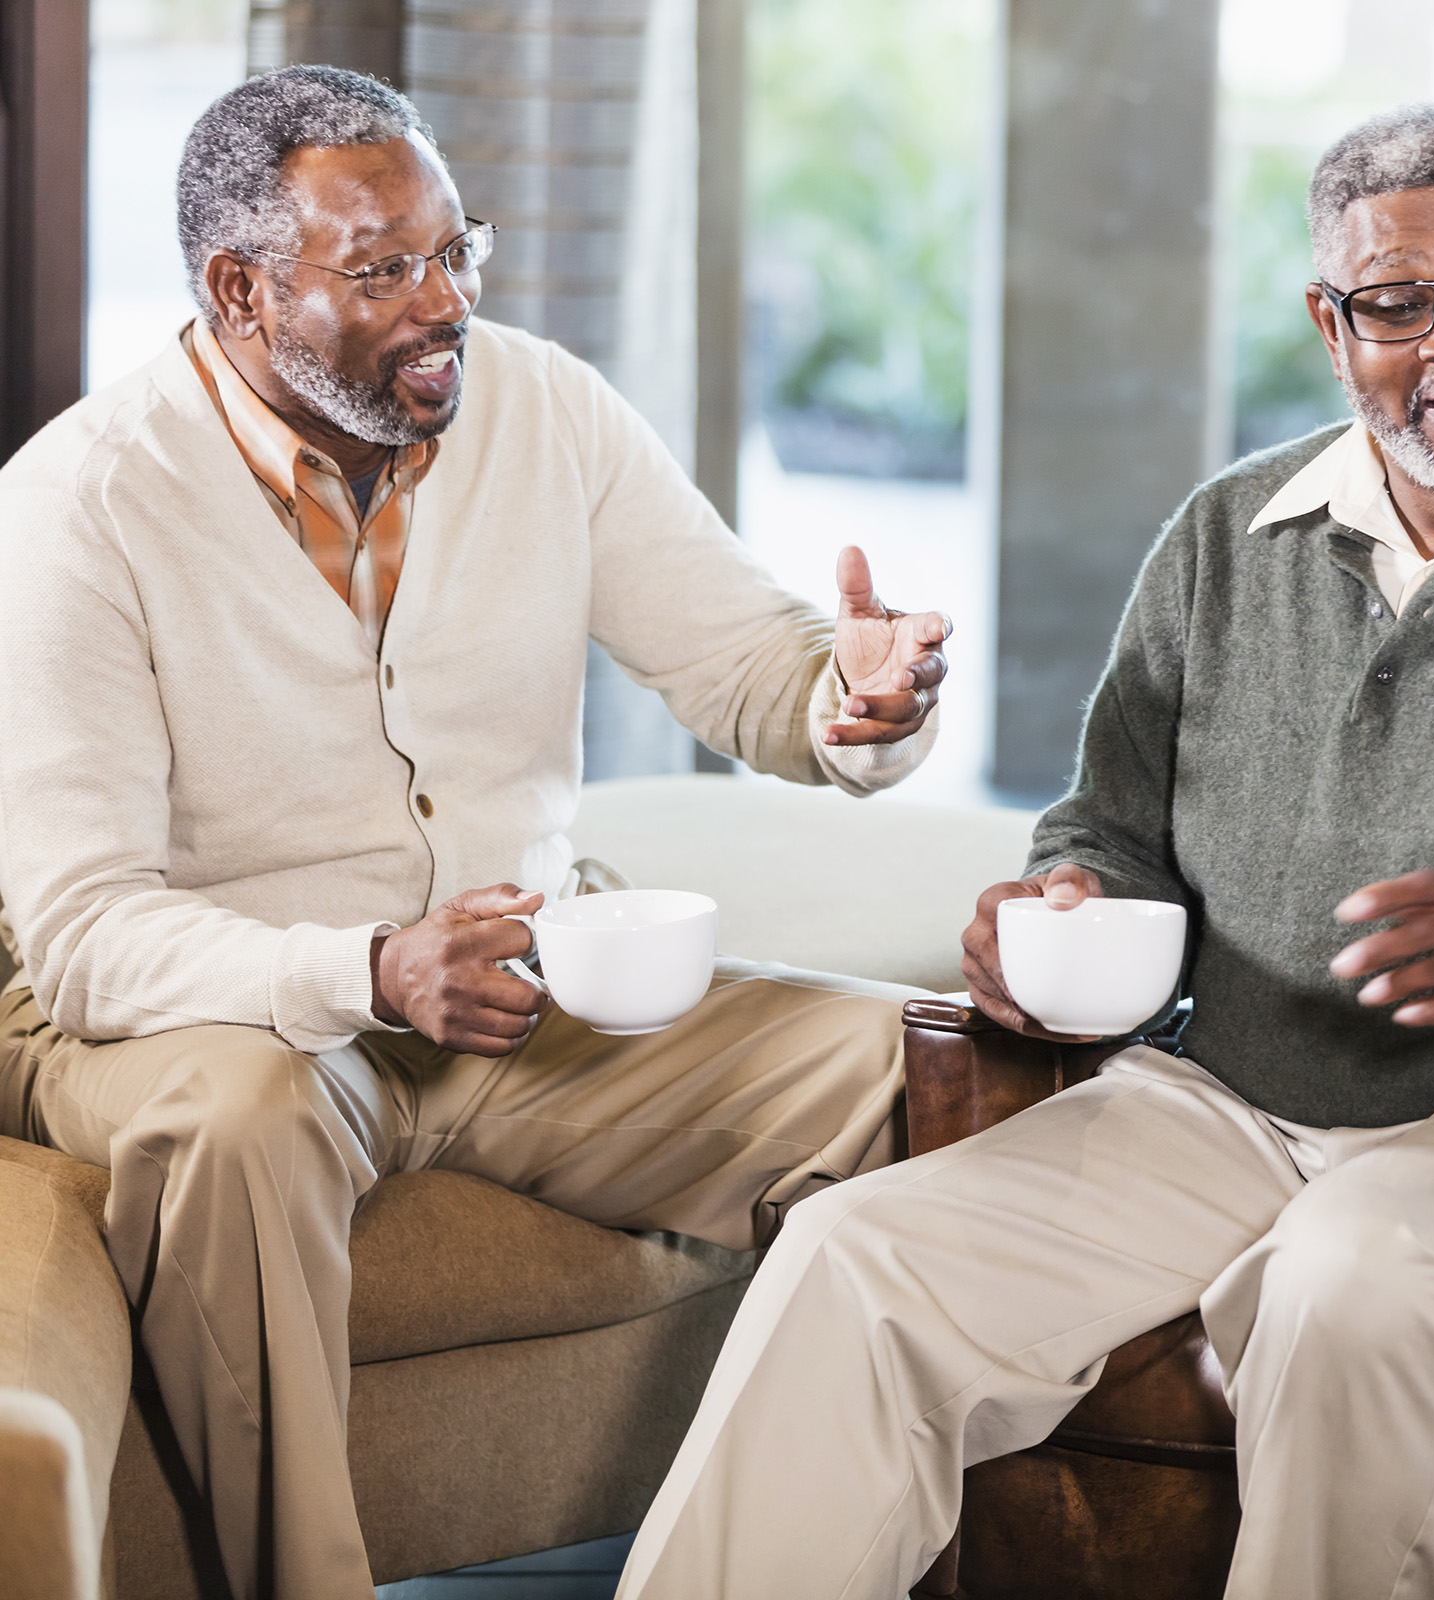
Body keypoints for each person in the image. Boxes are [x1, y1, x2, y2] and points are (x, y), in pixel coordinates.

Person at [621, 101, 1434, 1600]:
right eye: (1396, 304)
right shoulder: (1230, 535)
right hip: (1223, 1102)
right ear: (1330, 320)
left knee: (1346, 1284)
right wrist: (1064, 909)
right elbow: (1107, 827)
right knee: (854, 1260)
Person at [0, 66, 952, 1600]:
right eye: (382, 269)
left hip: (521, 987)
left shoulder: (544, 404)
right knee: (237, 1124)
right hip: (213, 1014)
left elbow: (749, 666)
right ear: (241, 290)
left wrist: (859, 704)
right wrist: (371, 971)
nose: (443, 302)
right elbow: (90, 933)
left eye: (459, 249)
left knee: (923, 1073)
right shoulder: (75, 508)